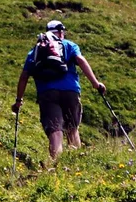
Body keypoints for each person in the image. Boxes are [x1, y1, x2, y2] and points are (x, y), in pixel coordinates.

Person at [11, 20, 106, 160]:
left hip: (47, 93)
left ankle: (57, 163)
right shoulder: (69, 45)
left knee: (55, 129)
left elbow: (24, 76)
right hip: (70, 91)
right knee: (72, 128)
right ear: (61, 32)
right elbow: (81, 60)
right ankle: (75, 163)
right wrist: (96, 84)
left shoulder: (35, 51)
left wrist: (18, 101)